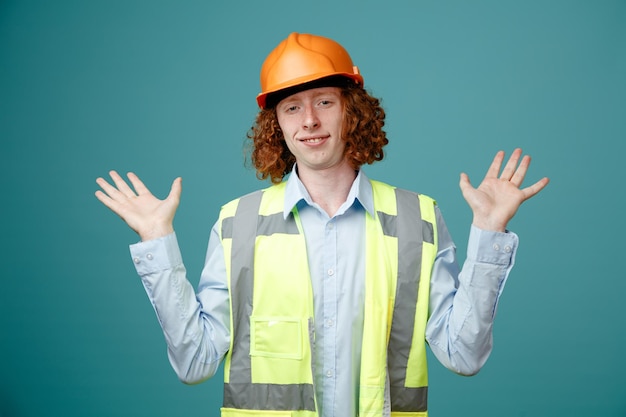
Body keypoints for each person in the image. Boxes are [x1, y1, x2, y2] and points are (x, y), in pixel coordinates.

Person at [95, 32, 549, 417]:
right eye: (291, 107)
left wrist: (489, 234)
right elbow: (195, 362)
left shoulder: (419, 219)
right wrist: (158, 242)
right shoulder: (238, 224)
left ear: (353, 110)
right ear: (276, 123)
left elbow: (464, 354)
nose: (309, 120)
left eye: (324, 101)